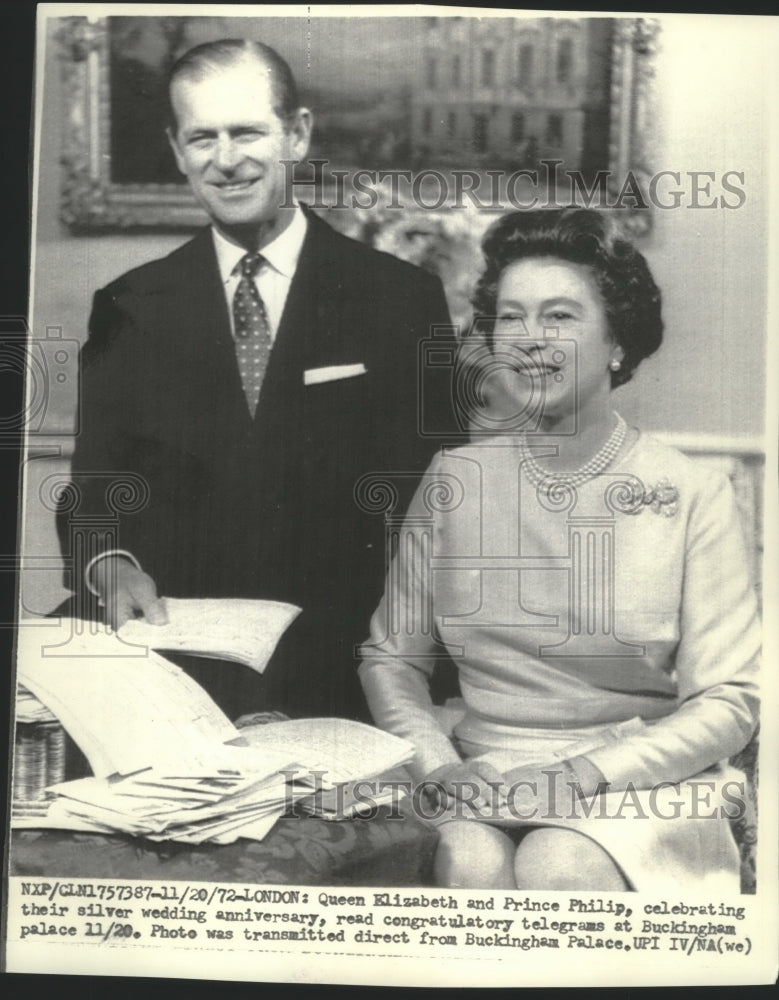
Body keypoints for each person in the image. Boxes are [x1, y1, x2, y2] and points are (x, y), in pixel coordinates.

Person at [359, 208, 760, 892]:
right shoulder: (455, 478)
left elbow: (729, 700)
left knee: (556, 864)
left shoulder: (693, 491)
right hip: (481, 773)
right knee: (469, 863)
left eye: (559, 316)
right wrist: (437, 766)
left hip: (640, 777)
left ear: (616, 342)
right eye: (510, 319)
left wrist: (585, 775)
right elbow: (390, 659)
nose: (528, 341)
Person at [58, 39, 453, 721]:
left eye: (247, 132)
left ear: (296, 135)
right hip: (171, 659)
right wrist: (110, 565)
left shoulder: (400, 297)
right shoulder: (128, 304)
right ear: (179, 152)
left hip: (341, 662)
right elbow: (92, 488)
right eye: (202, 137)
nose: (227, 158)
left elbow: (444, 499)